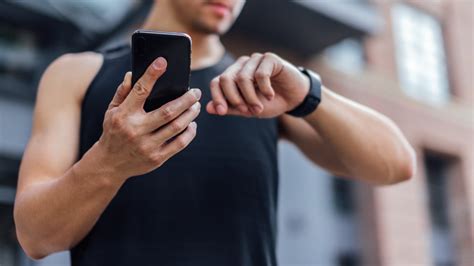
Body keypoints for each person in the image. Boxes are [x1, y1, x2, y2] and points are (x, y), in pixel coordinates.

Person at [14, 0, 416, 265]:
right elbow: (36, 237)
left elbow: (396, 165)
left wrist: (308, 93)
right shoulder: (76, 74)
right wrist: (109, 162)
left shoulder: (263, 88)